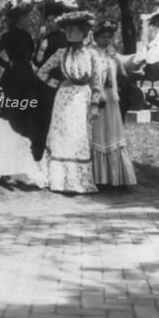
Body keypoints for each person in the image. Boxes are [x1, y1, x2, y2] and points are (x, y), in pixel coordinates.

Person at [37, 11, 102, 194]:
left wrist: (95, 104)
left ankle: (77, 181)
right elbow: (42, 72)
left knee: (78, 134)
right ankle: (57, 180)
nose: (69, 33)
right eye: (67, 30)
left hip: (82, 98)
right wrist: (57, 83)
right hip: (63, 98)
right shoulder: (61, 53)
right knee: (61, 134)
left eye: (73, 30)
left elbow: (97, 82)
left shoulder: (92, 55)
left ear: (83, 32)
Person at [0, 4, 41, 158]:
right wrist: (8, 65)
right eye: (25, 17)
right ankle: (6, 152)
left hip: (27, 77)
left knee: (26, 112)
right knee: (11, 113)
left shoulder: (28, 36)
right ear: (18, 19)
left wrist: (38, 43)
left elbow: (33, 57)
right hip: (13, 79)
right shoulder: (9, 35)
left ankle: (23, 152)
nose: (28, 19)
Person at [90, 20, 137, 187]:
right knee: (98, 133)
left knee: (112, 132)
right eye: (103, 36)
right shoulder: (90, 53)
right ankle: (98, 176)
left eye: (109, 37)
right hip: (96, 97)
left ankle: (115, 176)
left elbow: (123, 74)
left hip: (112, 97)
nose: (106, 40)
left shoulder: (112, 54)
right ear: (95, 37)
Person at [33, 13, 69, 160]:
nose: (49, 22)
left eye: (52, 19)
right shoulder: (44, 38)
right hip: (45, 83)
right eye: (47, 20)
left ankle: (54, 149)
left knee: (56, 117)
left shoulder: (65, 38)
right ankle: (42, 150)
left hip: (58, 81)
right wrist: (41, 47)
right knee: (45, 117)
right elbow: (37, 61)